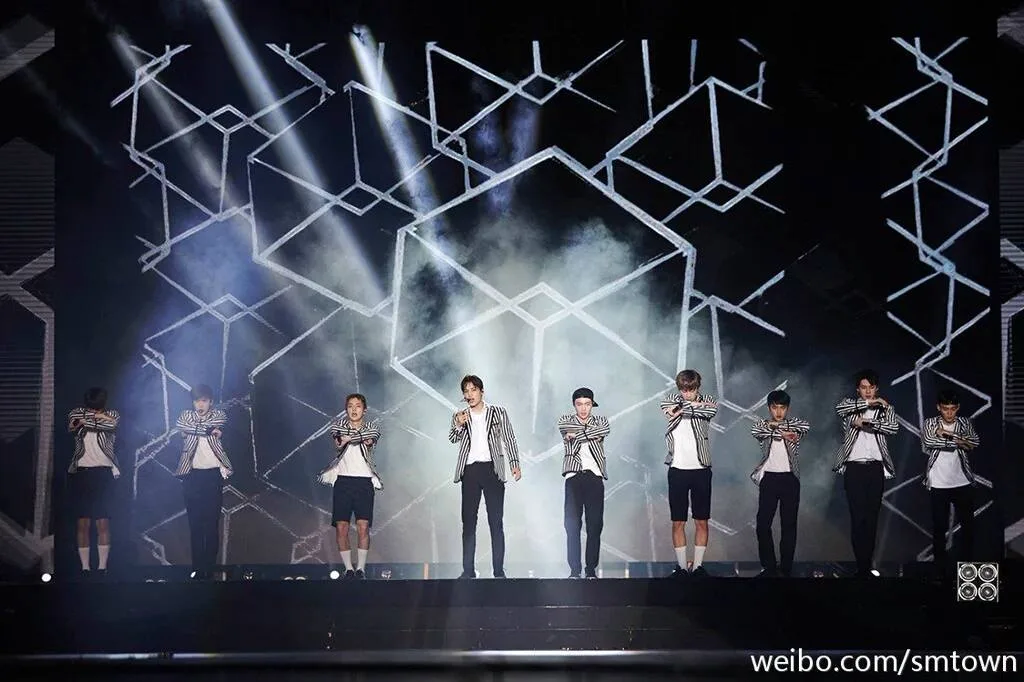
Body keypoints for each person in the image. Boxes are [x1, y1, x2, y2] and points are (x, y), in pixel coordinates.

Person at [448, 374, 520, 579]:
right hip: (470, 471)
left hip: (492, 469)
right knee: (469, 522)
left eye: (473, 390)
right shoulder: (460, 415)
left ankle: (498, 571)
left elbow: (509, 438)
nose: (470, 394)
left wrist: (514, 463)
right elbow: (452, 438)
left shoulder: (498, 412)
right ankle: (468, 570)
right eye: (466, 391)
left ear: (481, 391)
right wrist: (458, 424)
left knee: (496, 521)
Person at [833, 370, 899, 577]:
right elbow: (840, 409)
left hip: (875, 469)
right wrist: (868, 405)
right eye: (864, 388)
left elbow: (892, 428)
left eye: (871, 388)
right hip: (854, 468)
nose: (868, 391)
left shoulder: (886, 408)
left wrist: (868, 422)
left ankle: (866, 566)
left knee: (871, 521)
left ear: (876, 388)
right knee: (858, 519)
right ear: (858, 390)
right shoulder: (850, 406)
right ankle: (861, 567)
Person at [660, 369, 718, 577]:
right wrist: (693, 407)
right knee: (678, 521)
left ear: (697, 387)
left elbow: (710, 411)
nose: (687, 393)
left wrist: (686, 408)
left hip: (701, 468)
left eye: (691, 390)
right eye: (683, 390)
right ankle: (683, 568)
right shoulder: (669, 400)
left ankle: (699, 566)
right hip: (677, 469)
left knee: (701, 520)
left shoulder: (709, 400)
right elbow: (669, 411)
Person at [318, 393, 382, 580]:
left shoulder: (372, 427)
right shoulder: (338, 425)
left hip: (364, 482)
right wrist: (352, 437)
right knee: (341, 527)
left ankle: (361, 569)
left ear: (364, 410)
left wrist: (350, 437)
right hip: (343, 482)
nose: (354, 409)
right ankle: (348, 569)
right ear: (346, 409)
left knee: (363, 526)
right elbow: (339, 442)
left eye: (358, 406)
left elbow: (369, 438)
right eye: (350, 406)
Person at [749, 389, 810, 577]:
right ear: (769, 408)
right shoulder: (763, 425)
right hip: (769, 479)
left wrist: (783, 429)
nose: (778, 412)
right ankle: (769, 567)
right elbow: (756, 430)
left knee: (789, 525)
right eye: (775, 408)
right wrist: (779, 429)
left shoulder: (794, 425)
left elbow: (805, 426)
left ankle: (785, 568)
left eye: (782, 408)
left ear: (787, 408)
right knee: (763, 524)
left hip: (790, 479)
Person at [174, 384, 232, 580]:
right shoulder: (185, 415)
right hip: (192, 476)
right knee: (195, 524)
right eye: (197, 401)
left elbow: (214, 423)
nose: (200, 405)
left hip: (212, 476)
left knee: (211, 524)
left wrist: (196, 430)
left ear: (211, 402)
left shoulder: (219, 415)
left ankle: (209, 567)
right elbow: (183, 425)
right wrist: (206, 430)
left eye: (204, 401)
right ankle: (198, 568)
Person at [920, 388, 979, 574]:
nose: (949, 413)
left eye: (953, 409)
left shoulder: (964, 422)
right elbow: (929, 442)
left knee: (968, 528)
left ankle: (967, 570)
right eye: (945, 409)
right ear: (939, 407)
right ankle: (940, 571)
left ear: (958, 408)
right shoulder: (930, 423)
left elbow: (974, 442)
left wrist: (946, 435)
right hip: (938, 484)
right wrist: (960, 442)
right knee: (939, 529)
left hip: (962, 482)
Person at [557, 388, 610, 579]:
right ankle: (574, 570)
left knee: (594, 525)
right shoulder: (565, 420)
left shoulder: (601, 421)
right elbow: (567, 430)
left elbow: (604, 430)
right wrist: (590, 434)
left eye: (587, 404)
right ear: (574, 405)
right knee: (572, 525)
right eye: (579, 404)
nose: (583, 408)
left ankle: (590, 570)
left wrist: (577, 435)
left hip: (594, 477)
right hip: (573, 477)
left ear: (592, 404)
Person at [67, 387, 120, 577]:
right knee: (83, 522)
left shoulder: (113, 414)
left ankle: (102, 567)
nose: (93, 410)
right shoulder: (76, 413)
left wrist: (91, 419)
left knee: (102, 522)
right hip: (82, 473)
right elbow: (73, 425)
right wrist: (97, 418)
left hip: (103, 473)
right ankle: (85, 568)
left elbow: (111, 424)